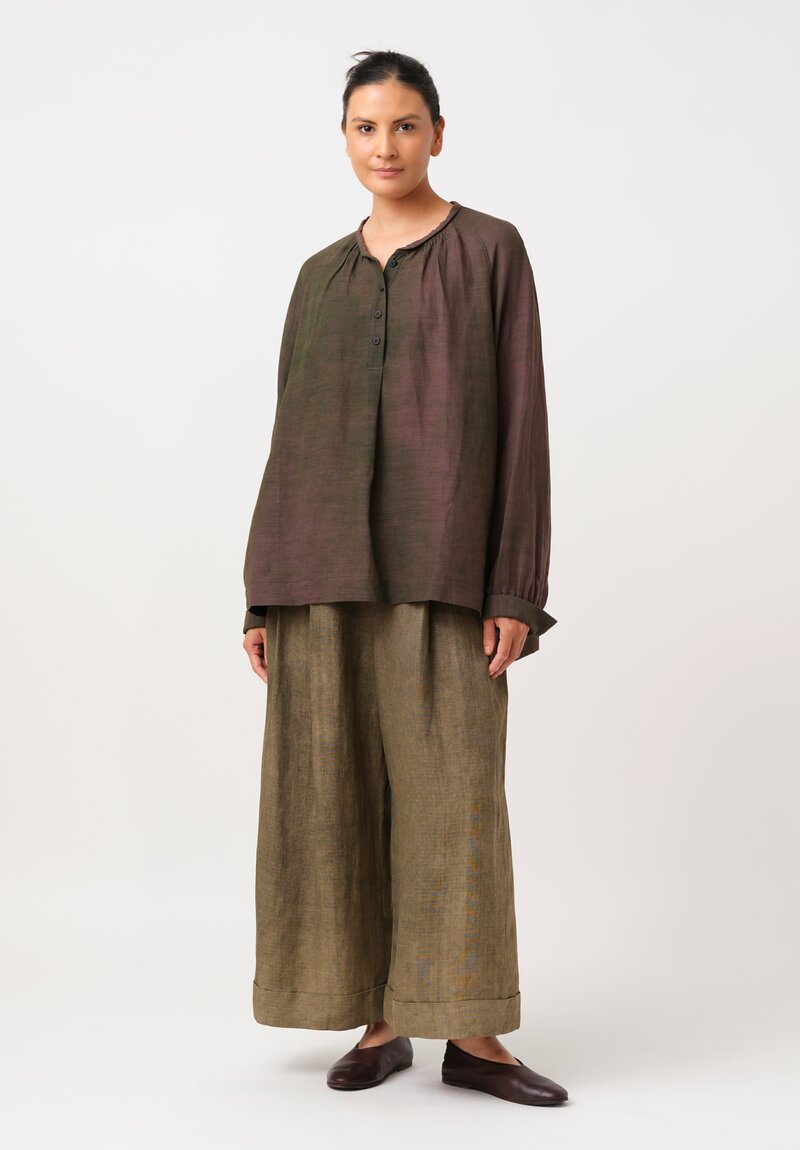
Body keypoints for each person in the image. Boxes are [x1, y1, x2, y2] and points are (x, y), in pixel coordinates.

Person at [241, 48, 568, 1108]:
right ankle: (377, 1018)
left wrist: (514, 589)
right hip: (318, 569)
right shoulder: (318, 276)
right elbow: (290, 434)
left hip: (444, 566)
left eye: (404, 125)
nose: (384, 146)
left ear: (436, 133)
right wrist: (262, 591)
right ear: (344, 137)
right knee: (329, 793)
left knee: (452, 792)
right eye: (365, 127)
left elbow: (521, 423)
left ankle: (470, 1029)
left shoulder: (490, 251)